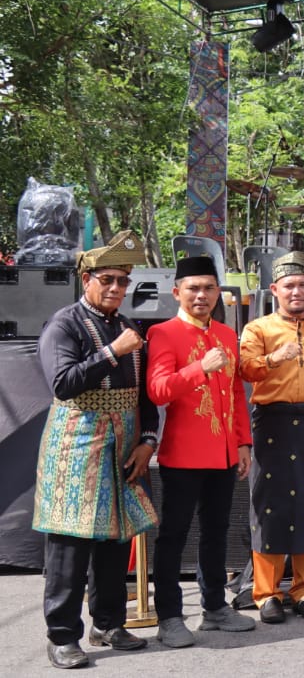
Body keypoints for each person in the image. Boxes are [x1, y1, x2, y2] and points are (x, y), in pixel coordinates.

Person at [34, 230, 158, 669]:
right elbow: (63, 384)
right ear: (86, 279)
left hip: (123, 445)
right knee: (70, 545)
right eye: (107, 280)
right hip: (76, 445)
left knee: (114, 540)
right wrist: (111, 352)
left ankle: (108, 624)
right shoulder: (64, 324)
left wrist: (148, 442)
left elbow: (145, 396)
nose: (116, 288)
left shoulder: (129, 327)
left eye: (123, 281)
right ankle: (62, 636)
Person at [145, 256, 255, 647]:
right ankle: (169, 617)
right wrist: (200, 369)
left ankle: (215, 607)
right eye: (193, 288)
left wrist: (243, 442)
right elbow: (158, 391)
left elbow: (237, 393)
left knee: (216, 533)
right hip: (182, 456)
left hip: (224, 453)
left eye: (209, 288)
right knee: (173, 536)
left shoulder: (226, 333)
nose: (201, 295)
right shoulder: (162, 333)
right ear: (177, 292)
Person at [238, 251, 304, 624]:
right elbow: (245, 370)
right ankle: (267, 593)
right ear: (274, 290)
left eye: (302, 285)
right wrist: (275, 358)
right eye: (289, 286)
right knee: (269, 508)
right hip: (272, 423)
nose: (296, 292)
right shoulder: (258, 330)